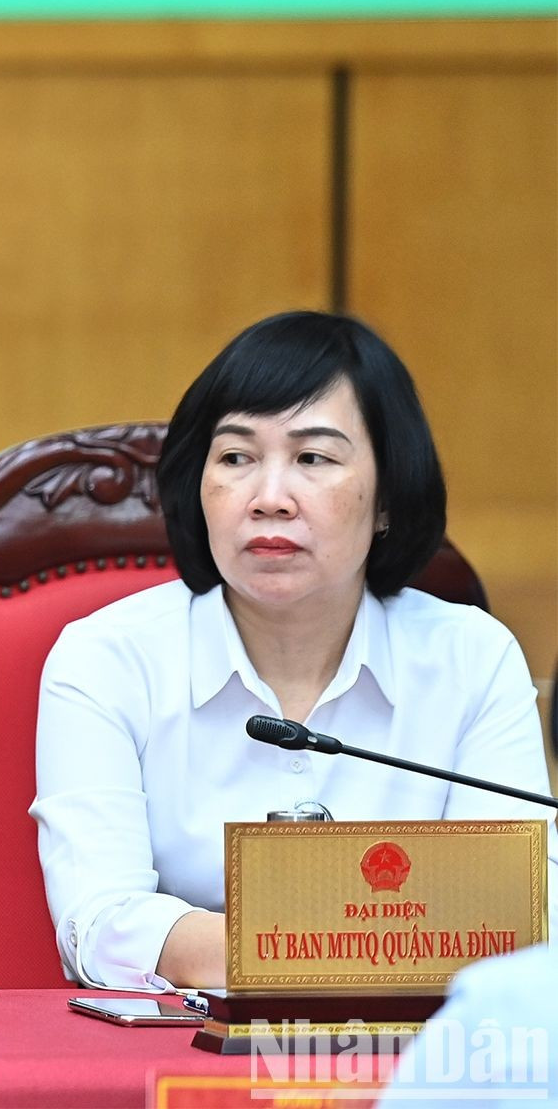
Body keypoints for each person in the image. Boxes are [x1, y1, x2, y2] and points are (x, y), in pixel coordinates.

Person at [31, 310, 555, 991]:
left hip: (415, 1061)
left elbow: (523, 909)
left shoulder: (470, 659)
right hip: (179, 1063)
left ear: (388, 495)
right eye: (236, 458)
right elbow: (98, 925)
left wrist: (287, 942)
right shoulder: (107, 660)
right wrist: (363, 939)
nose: (269, 498)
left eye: (313, 458)